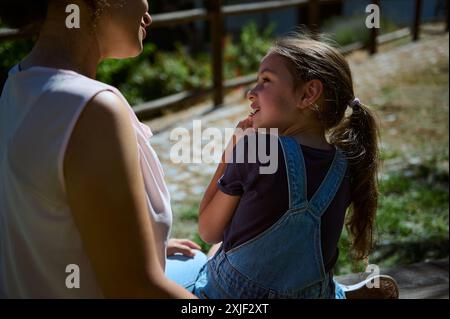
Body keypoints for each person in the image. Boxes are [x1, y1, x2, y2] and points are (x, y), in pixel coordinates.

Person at [0, 0, 202, 298]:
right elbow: (134, 288)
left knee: (194, 260)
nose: (148, 11)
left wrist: (139, 243)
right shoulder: (92, 108)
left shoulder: (17, 84)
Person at [192, 34, 399, 298]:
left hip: (235, 297)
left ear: (308, 94)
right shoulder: (345, 165)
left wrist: (231, 150)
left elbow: (209, 230)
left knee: (201, 260)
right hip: (309, 294)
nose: (250, 93)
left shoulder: (255, 148)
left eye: (265, 80)